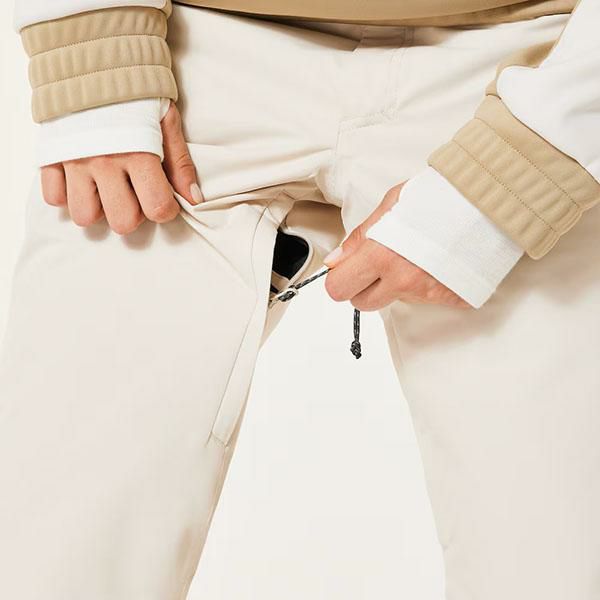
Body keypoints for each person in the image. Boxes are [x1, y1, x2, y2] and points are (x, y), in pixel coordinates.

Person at [1, 0, 598, 598]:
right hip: (188, 61)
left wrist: (536, 157)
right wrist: (91, 50)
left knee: (552, 556)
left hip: (532, 59)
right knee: (57, 550)